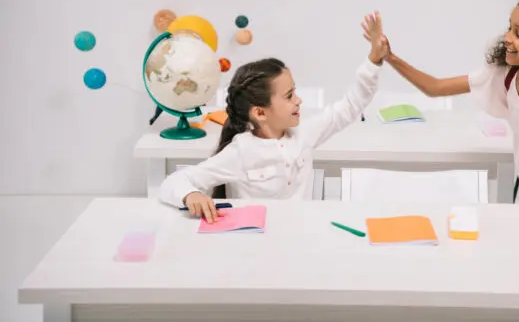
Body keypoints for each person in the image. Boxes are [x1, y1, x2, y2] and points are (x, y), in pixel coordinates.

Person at [362, 0, 519, 226]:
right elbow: (435, 87)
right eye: (509, 28)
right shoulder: (505, 77)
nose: (507, 38)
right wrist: (390, 57)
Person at [158, 13, 388, 222]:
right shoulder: (241, 151)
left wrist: (374, 61)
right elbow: (174, 182)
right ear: (260, 112)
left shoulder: (304, 134)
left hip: (299, 238)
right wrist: (191, 194)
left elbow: (351, 105)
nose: (298, 100)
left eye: (294, 92)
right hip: (255, 244)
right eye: (289, 96)